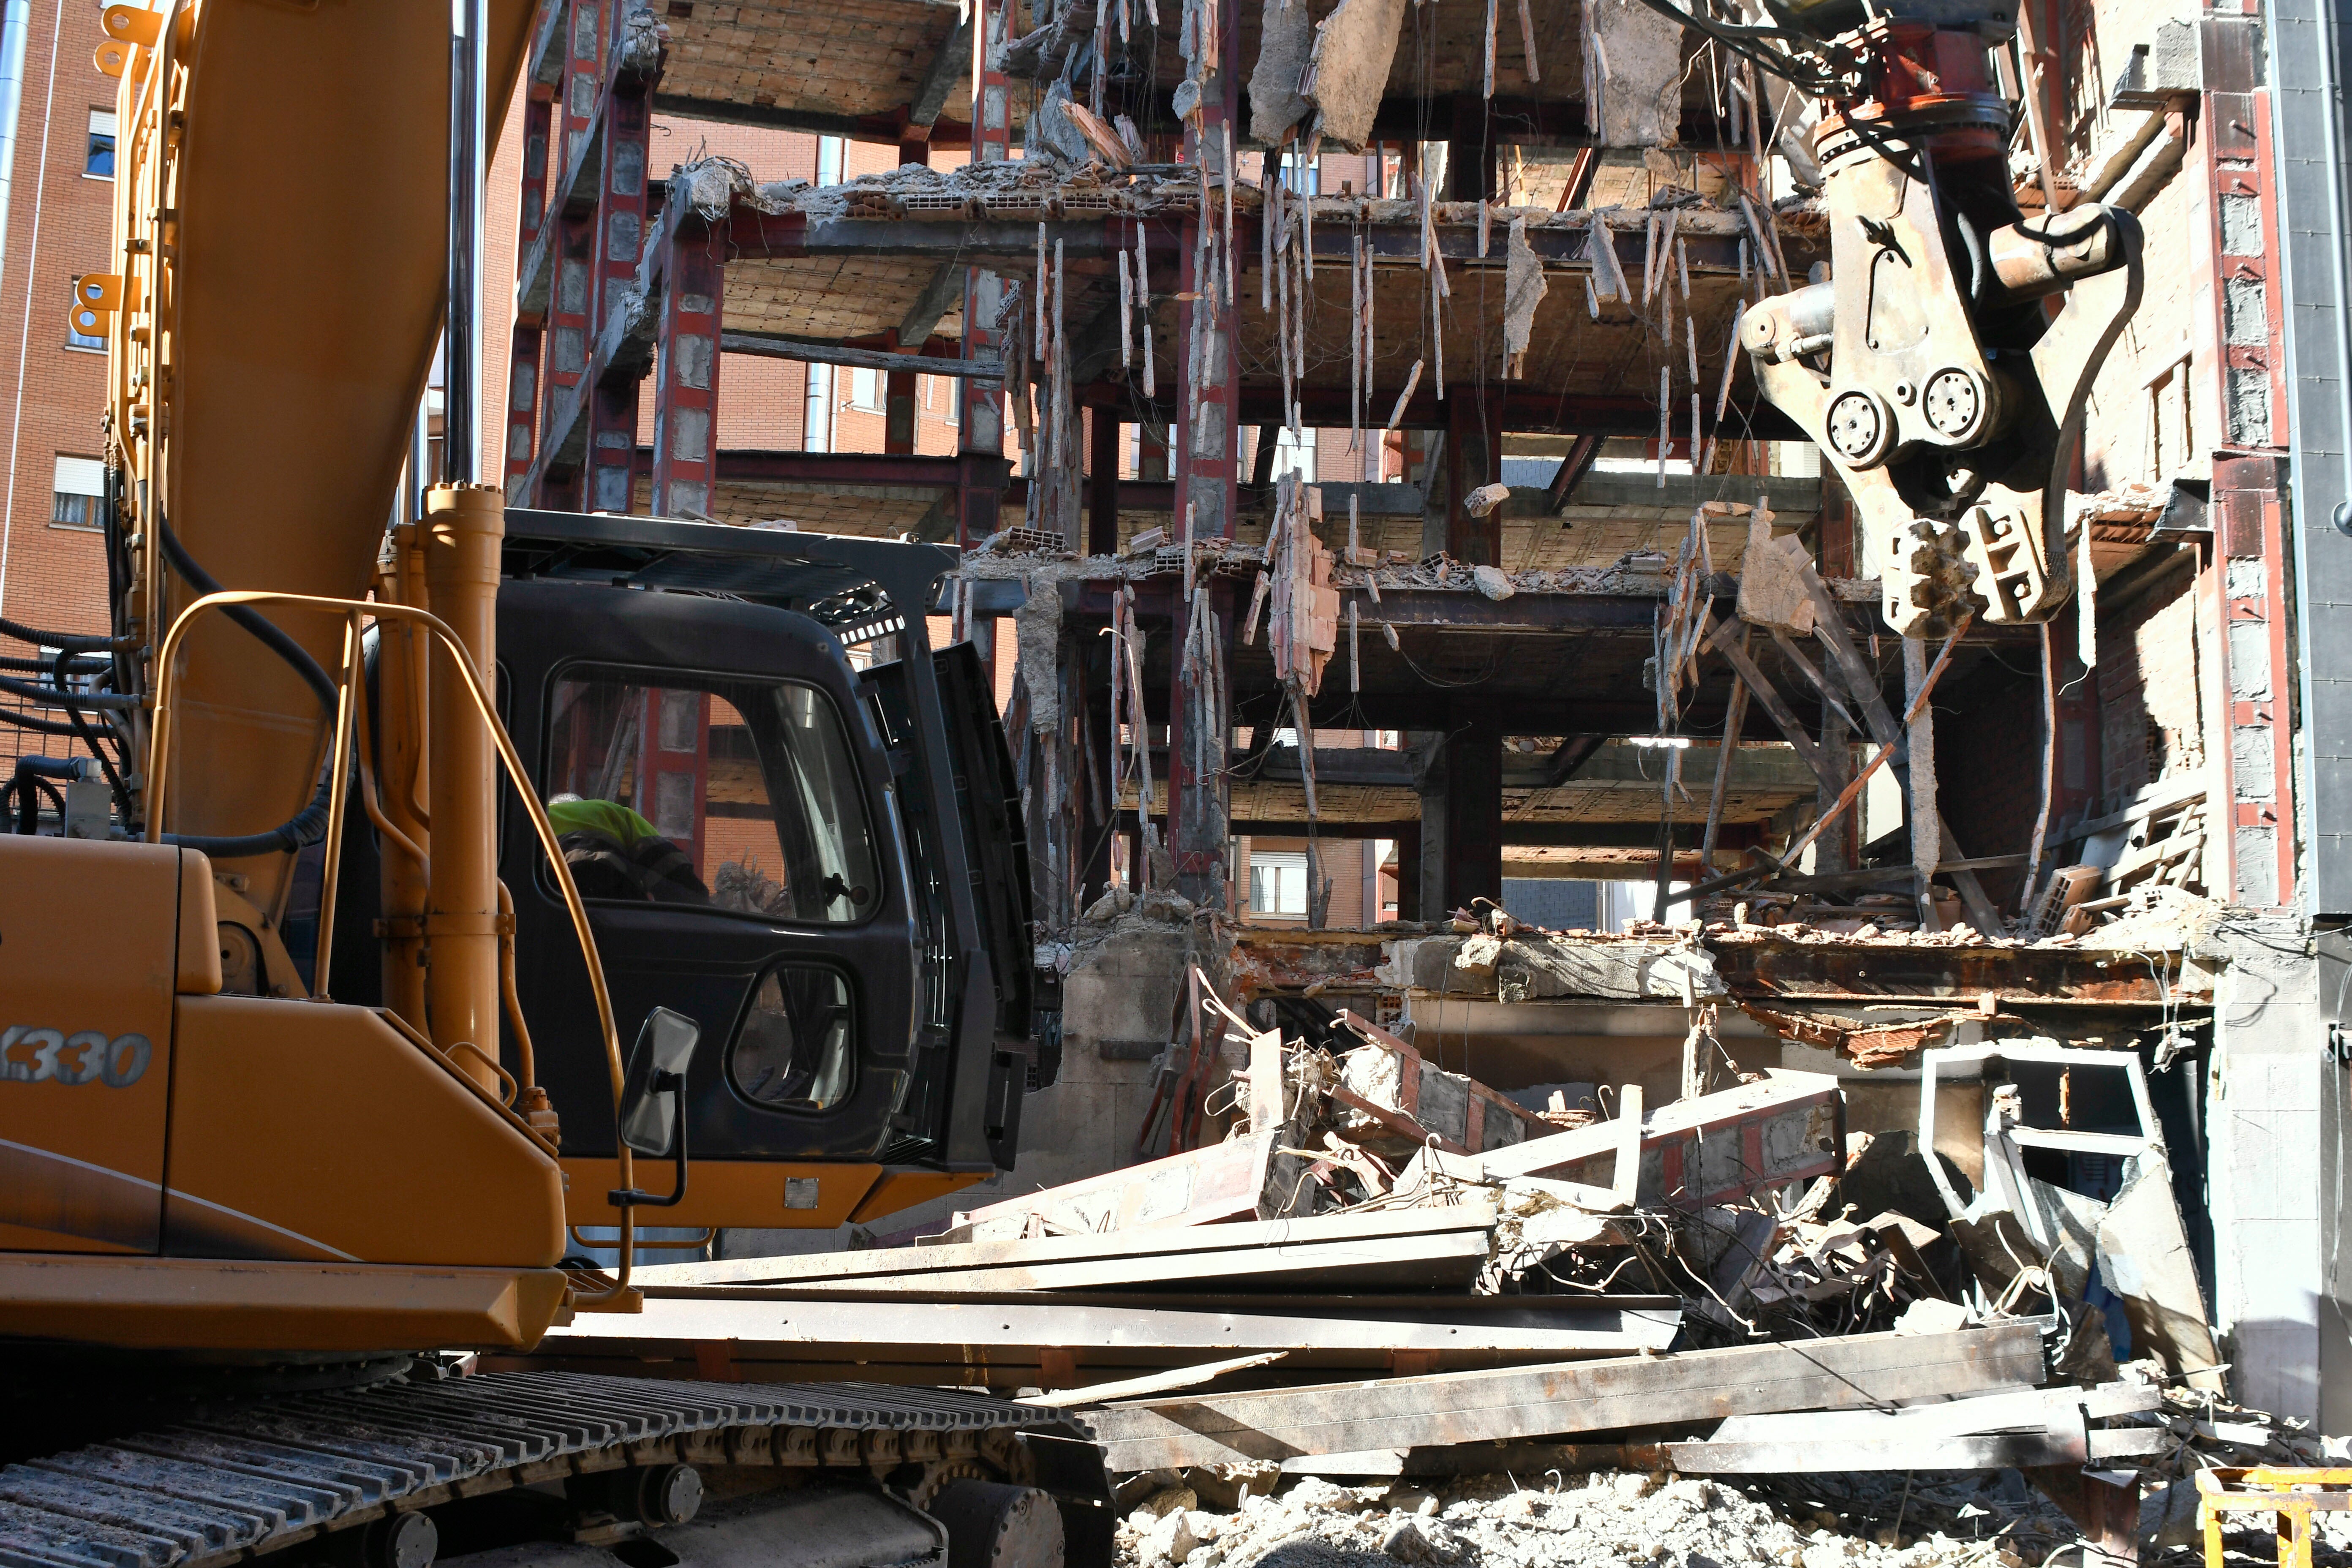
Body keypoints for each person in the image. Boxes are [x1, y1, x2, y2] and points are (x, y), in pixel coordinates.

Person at [545, 793, 709, 904]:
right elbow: (668, 863)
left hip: (551, 893)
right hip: (615, 896)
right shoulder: (612, 811)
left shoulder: (532, 814)